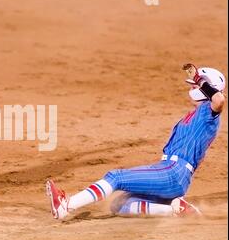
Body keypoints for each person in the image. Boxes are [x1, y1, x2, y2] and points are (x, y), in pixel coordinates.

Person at [46, 64, 226, 219]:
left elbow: (219, 100)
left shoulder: (208, 113)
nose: (194, 86)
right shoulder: (198, 114)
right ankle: (175, 210)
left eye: (197, 84)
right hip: (171, 172)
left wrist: (201, 80)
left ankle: (66, 206)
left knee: (115, 177)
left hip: (174, 172)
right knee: (120, 204)